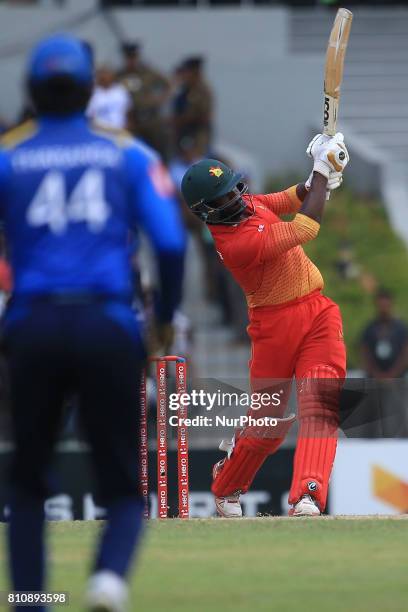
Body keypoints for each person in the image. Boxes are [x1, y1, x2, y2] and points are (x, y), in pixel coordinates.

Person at [0, 34, 185, 611]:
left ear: (30, 89)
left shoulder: (8, 154)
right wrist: (163, 322)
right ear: (88, 91)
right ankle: (107, 580)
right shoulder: (128, 153)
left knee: (28, 480)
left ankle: (35, 599)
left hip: (31, 325)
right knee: (123, 483)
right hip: (108, 324)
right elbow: (173, 243)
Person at [181, 134, 349, 517]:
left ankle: (308, 493)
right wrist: (322, 171)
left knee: (320, 402)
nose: (236, 199)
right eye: (224, 198)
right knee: (268, 423)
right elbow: (305, 228)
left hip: (319, 313)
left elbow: (292, 198)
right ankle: (227, 485)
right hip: (273, 327)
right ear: (208, 211)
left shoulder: (246, 203)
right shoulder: (234, 243)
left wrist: (321, 172)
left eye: (233, 189)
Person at [118, 41, 170, 159]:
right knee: (132, 150)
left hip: (150, 118)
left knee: (158, 149)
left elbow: (168, 84)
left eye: (133, 57)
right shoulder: (120, 75)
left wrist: (160, 99)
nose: (131, 61)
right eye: (129, 58)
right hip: (132, 120)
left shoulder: (148, 72)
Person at [361, 289, 408, 379]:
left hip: (398, 380)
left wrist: (392, 375)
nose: (383, 308)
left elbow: (405, 355)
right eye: (381, 305)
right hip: (375, 380)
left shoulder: (401, 328)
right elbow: (365, 355)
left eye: (386, 305)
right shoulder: (369, 329)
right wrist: (377, 374)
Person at [171, 56, 213, 159]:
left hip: (197, 137)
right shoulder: (184, 90)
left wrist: (181, 119)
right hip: (181, 136)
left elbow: (204, 117)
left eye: (187, 72)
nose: (185, 76)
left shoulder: (203, 91)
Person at [87, 64, 132, 129]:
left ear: (112, 75)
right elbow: (89, 115)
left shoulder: (121, 91)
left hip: (120, 131)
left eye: (107, 74)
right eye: (102, 74)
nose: (104, 77)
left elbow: (129, 111)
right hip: (101, 132)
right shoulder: (93, 93)